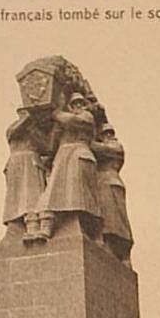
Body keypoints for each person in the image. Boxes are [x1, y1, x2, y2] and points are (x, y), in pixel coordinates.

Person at [35, 93, 102, 239]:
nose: (78, 106)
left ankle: (86, 228)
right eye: (74, 104)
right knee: (52, 191)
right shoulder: (63, 122)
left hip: (78, 153)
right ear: (70, 106)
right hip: (62, 157)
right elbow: (51, 145)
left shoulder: (86, 117)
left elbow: (72, 120)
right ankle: (47, 225)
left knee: (76, 192)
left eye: (81, 103)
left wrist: (55, 112)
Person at [2, 108, 52, 241]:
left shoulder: (35, 131)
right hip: (17, 162)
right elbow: (13, 133)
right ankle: (23, 225)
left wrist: (36, 127)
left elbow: (46, 146)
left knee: (34, 195)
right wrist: (29, 118)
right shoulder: (14, 127)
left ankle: (34, 225)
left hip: (32, 161)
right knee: (18, 197)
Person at [92, 125, 133, 261]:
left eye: (108, 134)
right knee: (107, 216)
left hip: (110, 181)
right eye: (104, 134)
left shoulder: (115, 146)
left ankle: (116, 248)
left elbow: (96, 148)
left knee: (114, 218)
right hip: (101, 183)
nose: (107, 137)